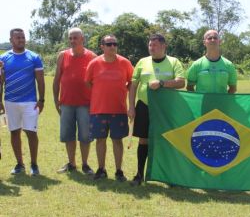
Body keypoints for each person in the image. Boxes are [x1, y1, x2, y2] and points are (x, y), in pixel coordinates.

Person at [128, 33, 185, 186]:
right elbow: (133, 85)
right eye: (150, 45)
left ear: (163, 46)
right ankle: (139, 174)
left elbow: (181, 83)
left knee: (167, 139)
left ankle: (170, 177)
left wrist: (161, 83)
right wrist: (131, 106)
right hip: (144, 106)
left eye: (155, 45)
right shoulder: (142, 62)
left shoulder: (174, 62)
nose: (151, 48)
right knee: (144, 140)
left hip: (166, 108)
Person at [85, 34, 133, 181]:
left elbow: (132, 82)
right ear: (102, 47)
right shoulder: (94, 63)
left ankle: (119, 171)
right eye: (109, 44)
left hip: (118, 109)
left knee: (117, 141)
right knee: (100, 140)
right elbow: (88, 82)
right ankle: (101, 169)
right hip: (98, 110)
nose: (113, 46)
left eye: (115, 44)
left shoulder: (125, 63)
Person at [0, 28, 45, 175]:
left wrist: (41, 100)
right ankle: (20, 164)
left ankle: (34, 164)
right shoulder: (3, 59)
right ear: (11, 40)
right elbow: (1, 82)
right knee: (14, 132)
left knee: (31, 132)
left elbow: (40, 80)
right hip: (10, 102)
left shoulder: (34, 57)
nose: (21, 40)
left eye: (23, 37)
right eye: (18, 37)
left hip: (30, 102)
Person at [53, 27, 96, 175]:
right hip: (66, 103)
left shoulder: (92, 56)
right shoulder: (62, 55)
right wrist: (55, 99)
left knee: (85, 136)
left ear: (82, 39)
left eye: (75, 38)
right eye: (70, 38)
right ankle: (71, 163)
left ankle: (85, 164)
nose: (72, 41)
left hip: (85, 103)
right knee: (68, 135)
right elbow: (57, 78)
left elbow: (97, 82)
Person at [186, 29, 237, 94]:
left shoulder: (229, 65)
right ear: (204, 42)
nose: (212, 40)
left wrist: (225, 101)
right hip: (203, 104)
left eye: (215, 38)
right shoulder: (196, 64)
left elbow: (233, 88)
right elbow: (189, 87)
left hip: (222, 103)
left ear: (220, 41)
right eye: (209, 38)